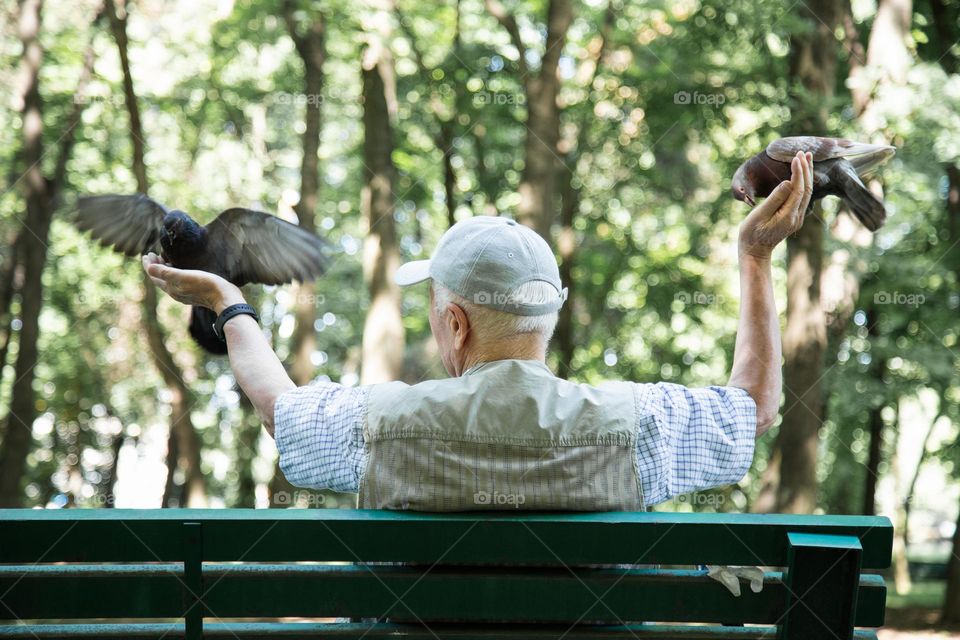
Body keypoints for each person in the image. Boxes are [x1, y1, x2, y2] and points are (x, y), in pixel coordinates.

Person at [143, 151, 814, 511]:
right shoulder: (640, 423)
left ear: (456, 325)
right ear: (548, 316)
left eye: (437, 311)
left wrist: (228, 302)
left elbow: (276, 408)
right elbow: (752, 410)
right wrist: (754, 259)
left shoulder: (377, 424)